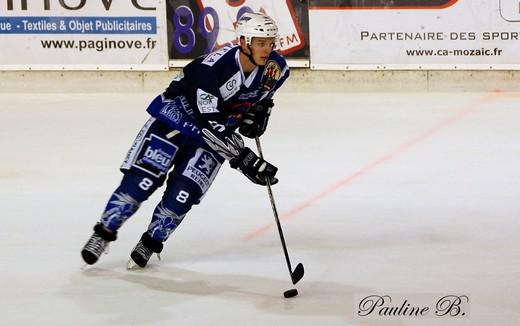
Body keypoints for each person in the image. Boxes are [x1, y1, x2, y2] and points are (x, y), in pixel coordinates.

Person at [81, 12, 290, 268]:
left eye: (270, 42)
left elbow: (261, 99)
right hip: (176, 120)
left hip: (215, 135)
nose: (267, 49)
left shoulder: (276, 68)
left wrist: (258, 113)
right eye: (260, 42)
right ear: (244, 42)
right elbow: (209, 121)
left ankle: (150, 242)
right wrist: (243, 158)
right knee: (143, 180)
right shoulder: (212, 68)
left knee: (184, 193)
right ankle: (103, 233)